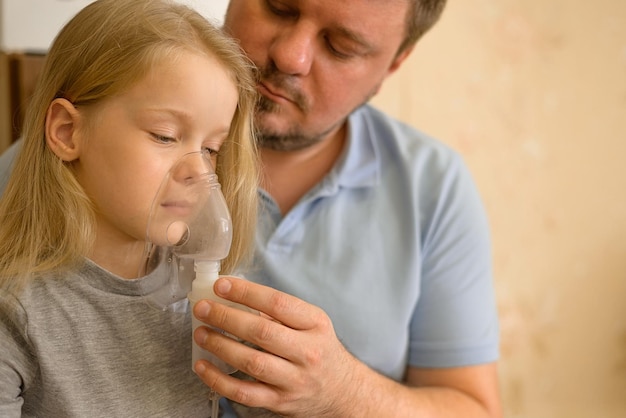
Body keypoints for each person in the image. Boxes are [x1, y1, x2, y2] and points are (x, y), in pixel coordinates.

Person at [0, 1, 502, 417]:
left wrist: (345, 392)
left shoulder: (432, 186)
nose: (291, 55)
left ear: (395, 61)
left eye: (340, 46)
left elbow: (475, 407)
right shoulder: (60, 173)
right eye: (278, 7)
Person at [0, 0, 259, 416]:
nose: (198, 171)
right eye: (164, 135)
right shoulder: (17, 310)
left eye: (211, 148)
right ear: (68, 132)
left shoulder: (211, 299)